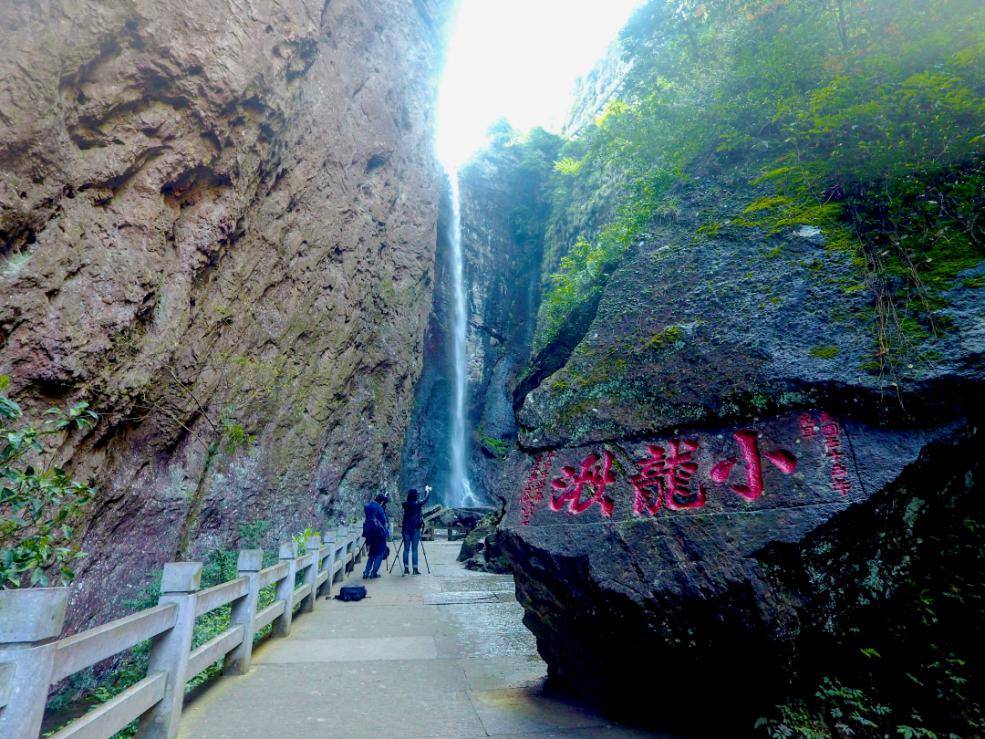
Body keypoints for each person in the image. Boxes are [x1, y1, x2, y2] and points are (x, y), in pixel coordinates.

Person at [401, 486, 430, 575]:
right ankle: (415, 569)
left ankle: (406, 569)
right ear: (415, 495)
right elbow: (425, 499)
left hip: (405, 528)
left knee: (406, 549)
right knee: (414, 550)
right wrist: (427, 491)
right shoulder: (417, 504)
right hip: (415, 529)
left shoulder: (405, 504)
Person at [362, 493, 389, 579]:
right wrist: (387, 533)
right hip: (379, 533)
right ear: (381, 501)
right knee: (379, 554)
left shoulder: (367, 506)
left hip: (369, 533)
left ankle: (366, 572)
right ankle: (373, 573)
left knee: (372, 553)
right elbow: (384, 521)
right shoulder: (379, 507)